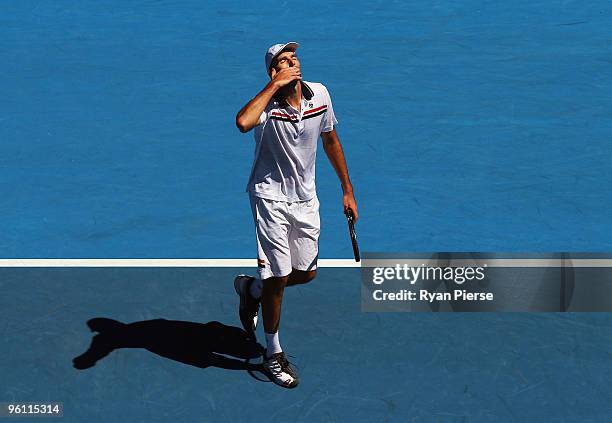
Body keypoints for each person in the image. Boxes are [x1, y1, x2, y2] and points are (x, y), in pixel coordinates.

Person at [234, 42, 358, 388]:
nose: (293, 63)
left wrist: (347, 190)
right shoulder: (267, 105)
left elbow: (330, 140)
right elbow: (243, 122)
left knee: (305, 274)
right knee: (278, 278)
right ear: (274, 72)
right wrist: (273, 86)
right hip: (269, 196)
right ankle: (272, 353)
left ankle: (251, 290)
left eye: (294, 58)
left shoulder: (320, 95)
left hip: (306, 199)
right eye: (283, 62)